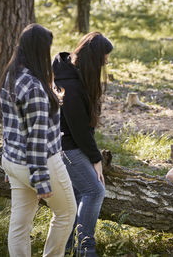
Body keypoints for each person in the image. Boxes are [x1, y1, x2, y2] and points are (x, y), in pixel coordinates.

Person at [0, 23, 76, 257]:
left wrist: (10, 165)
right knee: (67, 212)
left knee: (20, 224)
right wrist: (41, 181)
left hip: (14, 161)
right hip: (40, 162)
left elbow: (10, 126)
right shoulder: (34, 88)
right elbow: (36, 140)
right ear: (39, 50)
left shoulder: (12, 76)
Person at [52, 31, 113, 256]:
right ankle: (85, 248)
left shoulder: (72, 73)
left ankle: (66, 246)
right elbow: (77, 128)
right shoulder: (71, 85)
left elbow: (83, 128)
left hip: (70, 143)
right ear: (93, 59)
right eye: (103, 58)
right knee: (95, 190)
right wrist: (95, 158)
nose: (106, 62)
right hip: (65, 147)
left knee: (77, 195)